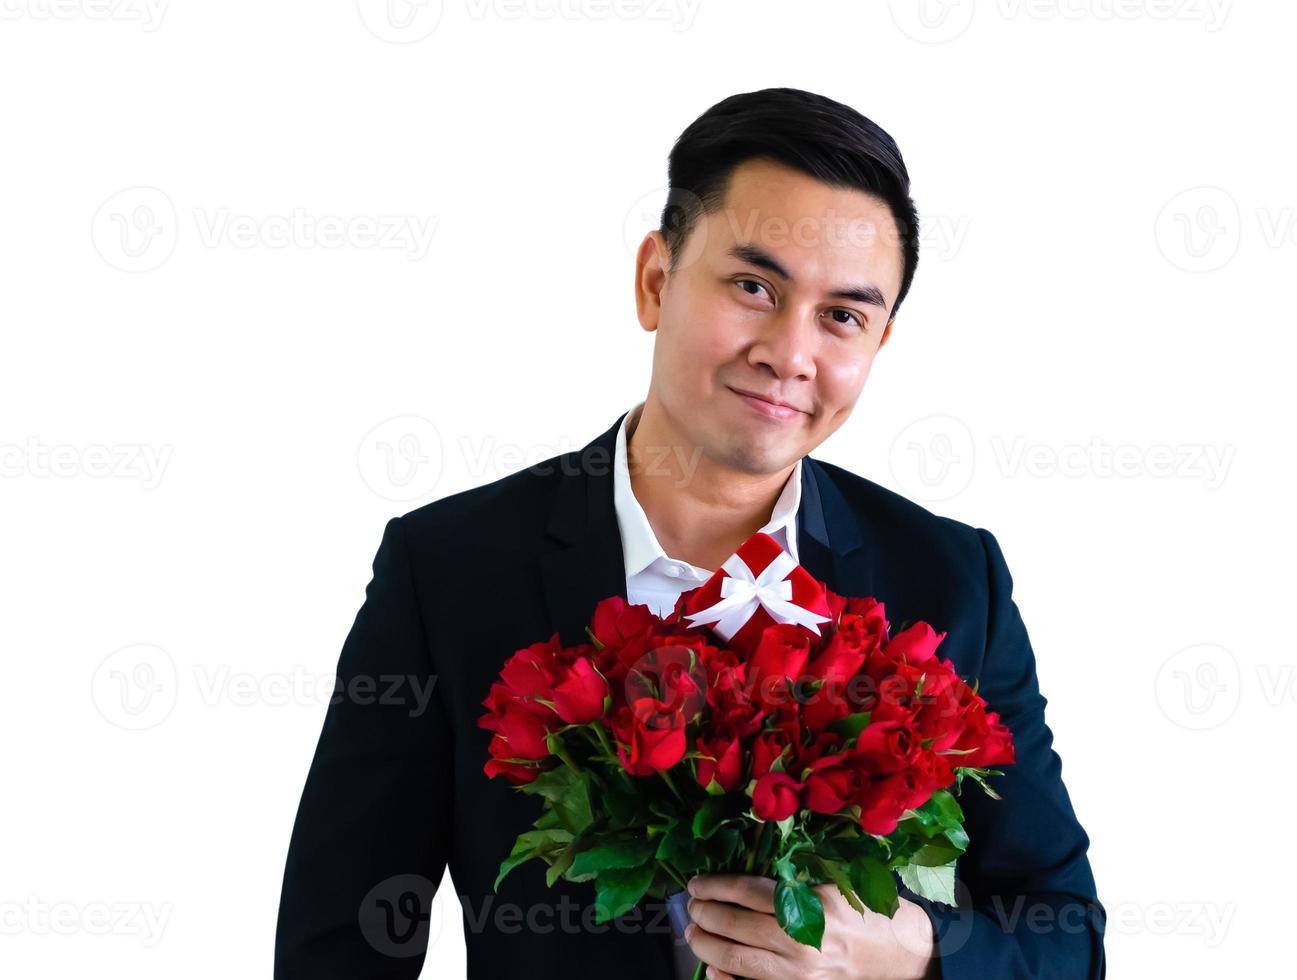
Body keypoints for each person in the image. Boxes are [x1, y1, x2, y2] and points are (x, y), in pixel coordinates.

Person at [275, 87, 1105, 980]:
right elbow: (341, 938)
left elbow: (1064, 931)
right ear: (656, 280)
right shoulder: (447, 569)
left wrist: (915, 953)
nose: (790, 353)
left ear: (879, 341)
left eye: (843, 317)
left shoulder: (950, 578)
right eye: (754, 287)